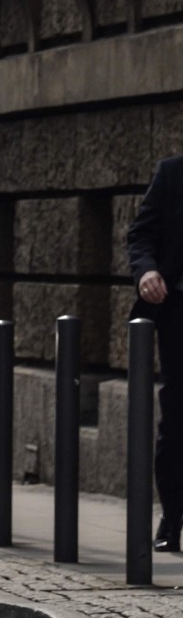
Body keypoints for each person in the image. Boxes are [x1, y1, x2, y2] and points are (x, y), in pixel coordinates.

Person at [127, 154, 183, 551]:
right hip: (178, 313)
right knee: (177, 416)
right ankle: (173, 518)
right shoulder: (173, 173)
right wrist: (147, 270)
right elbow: (140, 235)